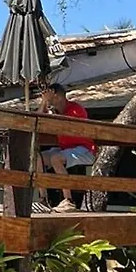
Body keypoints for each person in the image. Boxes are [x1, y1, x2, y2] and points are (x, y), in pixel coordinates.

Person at [39, 83, 96, 213]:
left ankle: (68, 200)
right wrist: (43, 103)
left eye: (49, 98)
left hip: (85, 149)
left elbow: (65, 125)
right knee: (38, 158)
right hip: (66, 149)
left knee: (56, 159)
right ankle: (43, 199)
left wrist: (52, 114)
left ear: (58, 97)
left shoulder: (76, 109)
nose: (48, 101)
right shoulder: (55, 111)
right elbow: (38, 119)